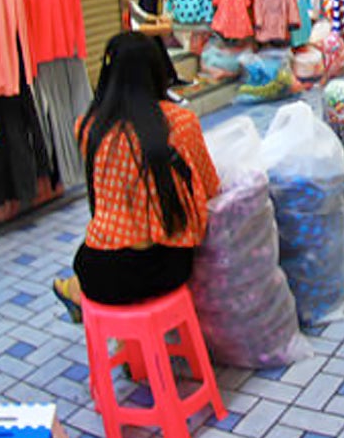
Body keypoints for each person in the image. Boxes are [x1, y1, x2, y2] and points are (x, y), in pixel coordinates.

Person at [52, 32, 221, 318]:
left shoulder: (87, 127)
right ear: (158, 71)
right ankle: (94, 308)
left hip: (102, 269)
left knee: (89, 264)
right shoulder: (181, 122)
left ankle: (78, 296)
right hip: (167, 267)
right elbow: (210, 187)